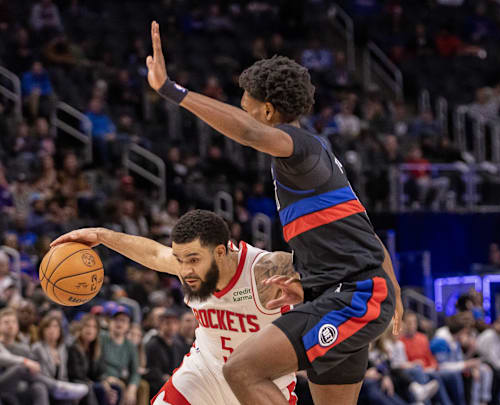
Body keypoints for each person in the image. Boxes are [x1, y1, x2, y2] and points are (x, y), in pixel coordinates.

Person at [141, 21, 401, 404]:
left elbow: (248, 133)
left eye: (245, 107)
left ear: (266, 111)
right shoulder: (315, 159)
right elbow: (366, 233)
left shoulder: (299, 148)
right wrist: (383, 289)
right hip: (341, 295)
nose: (241, 113)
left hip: (354, 297)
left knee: (241, 369)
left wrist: (172, 91)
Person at [52, 209, 299, 405]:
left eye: (193, 260)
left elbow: (331, 279)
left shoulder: (266, 271)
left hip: (261, 383)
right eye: (180, 260)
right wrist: (100, 235)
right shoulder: (188, 266)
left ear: (221, 252)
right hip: (205, 374)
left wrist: (311, 294)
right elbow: (153, 254)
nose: (185, 270)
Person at [30, 315, 90, 402]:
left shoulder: (62, 349)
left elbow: (64, 375)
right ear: (42, 330)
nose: (52, 330)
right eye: (48, 326)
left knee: (77, 391)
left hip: (61, 385)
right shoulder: (37, 348)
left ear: (60, 330)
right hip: (45, 384)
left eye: (55, 326)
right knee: (41, 387)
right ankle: (59, 387)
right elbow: (35, 374)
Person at [68, 315, 111, 405]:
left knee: (113, 388)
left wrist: (104, 380)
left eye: (94, 327)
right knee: (96, 388)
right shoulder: (73, 346)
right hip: (75, 382)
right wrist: (91, 382)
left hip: (89, 382)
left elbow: (101, 371)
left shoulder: (96, 347)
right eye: (87, 325)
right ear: (81, 328)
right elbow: (76, 374)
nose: (90, 330)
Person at [144, 309, 182, 397]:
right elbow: (151, 369)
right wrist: (163, 378)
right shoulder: (153, 344)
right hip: (157, 384)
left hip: (174, 381)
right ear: (160, 325)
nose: (171, 327)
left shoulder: (178, 345)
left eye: (174, 323)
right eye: (168, 323)